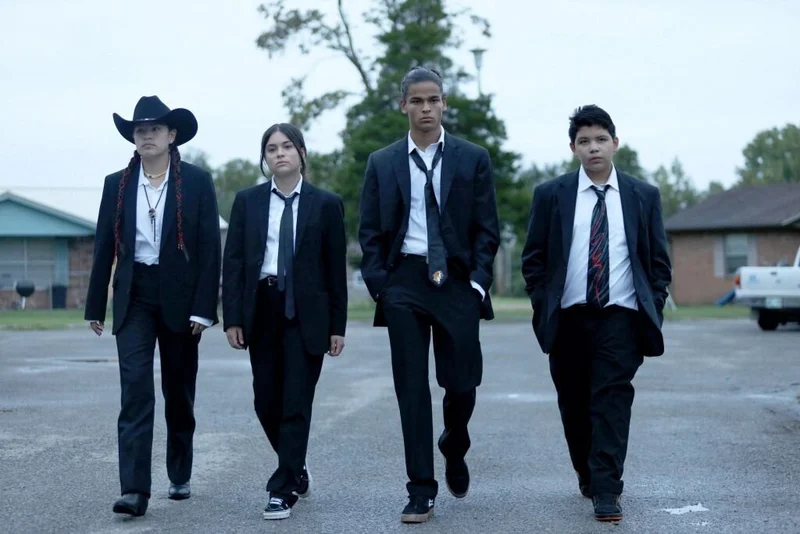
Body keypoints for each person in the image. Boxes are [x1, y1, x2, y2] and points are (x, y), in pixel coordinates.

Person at [358, 66, 500, 523]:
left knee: (462, 383)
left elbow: (487, 228)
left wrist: (476, 282)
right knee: (411, 389)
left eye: (433, 100)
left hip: (456, 281)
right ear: (403, 105)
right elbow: (369, 231)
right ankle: (420, 489)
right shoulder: (382, 162)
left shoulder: (472, 157)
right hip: (404, 280)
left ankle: (454, 443)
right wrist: (381, 285)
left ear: (444, 104)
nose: (426, 108)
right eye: (417, 101)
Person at [520, 105, 672, 522]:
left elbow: (658, 262)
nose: (593, 148)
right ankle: (588, 472)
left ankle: (607, 488)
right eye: (584, 141)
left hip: (621, 316)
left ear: (615, 143)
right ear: (573, 148)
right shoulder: (551, 195)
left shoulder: (642, 196)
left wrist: (653, 304)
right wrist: (542, 302)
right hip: (568, 316)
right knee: (574, 403)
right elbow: (534, 258)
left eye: (601, 140)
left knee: (612, 399)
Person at [84, 95, 221, 517]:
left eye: (155, 129)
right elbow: (104, 245)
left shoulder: (196, 182)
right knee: (136, 391)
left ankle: (179, 471)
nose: (146, 136)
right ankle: (134, 490)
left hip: (180, 297)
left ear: (171, 135)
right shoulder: (117, 184)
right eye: (140, 130)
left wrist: (204, 309)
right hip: (134, 296)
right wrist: (95, 305)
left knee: (178, 392)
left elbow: (209, 250)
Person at [222, 123, 347, 521]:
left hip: (308, 314)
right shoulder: (248, 201)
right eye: (272, 148)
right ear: (265, 158)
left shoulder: (325, 204)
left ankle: (283, 487)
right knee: (265, 400)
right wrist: (232, 318)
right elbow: (234, 262)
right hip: (263, 308)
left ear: (302, 153)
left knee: (296, 400)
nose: (280, 153)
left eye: (287, 146)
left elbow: (335, 270)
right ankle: (295, 463)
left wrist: (337, 326)